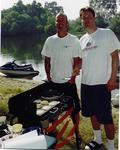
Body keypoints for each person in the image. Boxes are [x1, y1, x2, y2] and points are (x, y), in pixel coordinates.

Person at [79, 7, 120, 150]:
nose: (87, 20)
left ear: (94, 18)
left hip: (102, 84)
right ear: (81, 20)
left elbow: (115, 57)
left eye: (89, 16)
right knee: (91, 114)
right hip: (85, 84)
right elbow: (81, 62)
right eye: (84, 17)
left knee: (106, 118)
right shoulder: (82, 40)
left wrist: (113, 79)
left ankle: (110, 147)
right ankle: (97, 140)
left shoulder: (106, 33)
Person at [41, 11, 82, 145]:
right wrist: (48, 76)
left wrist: (73, 78)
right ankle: (53, 130)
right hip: (54, 82)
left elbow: (77, 61)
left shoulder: (74, 40)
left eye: (62, 21)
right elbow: (47, 60)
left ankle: (77, 132)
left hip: (68, 83)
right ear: (55, 23)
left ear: (67, 23)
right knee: (53, 110)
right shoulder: (50, 40)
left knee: (74, 110)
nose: (60, 23)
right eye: (58, 21)